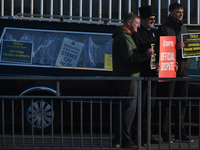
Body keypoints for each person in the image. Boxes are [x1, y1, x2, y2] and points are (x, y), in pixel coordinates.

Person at [112, 12, 154, 148]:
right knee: (128, 111)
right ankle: (124, 141)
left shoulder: (125, 36)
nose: (138, 26)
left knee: (125, 110)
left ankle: (119, 139)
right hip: (129, 77)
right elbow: (129, 58)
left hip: (128, 77)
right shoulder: (124, 38)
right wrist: (146, 55)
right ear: (129, 23)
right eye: (137, 23)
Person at [156, 2, 193, 143]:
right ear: (170, 12)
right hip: (169, 70)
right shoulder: (163, 28)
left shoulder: (184, 27)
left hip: (183, 70)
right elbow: (160, 48)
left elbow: (188, 47)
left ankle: (180, 133)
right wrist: (175, 48)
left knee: (182, 103)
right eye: (178, 12)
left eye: (182, 12)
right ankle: (165, 134)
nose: (181, 14)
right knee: (167, 103)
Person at [131, 5, 159, 145]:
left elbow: (157, 52)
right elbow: (136, 56)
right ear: (142, 19)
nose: (153, 21)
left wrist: (159, 64)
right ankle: (137, 136)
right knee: (140, 108)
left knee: (150, 107)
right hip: (142, 76)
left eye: (154, 19)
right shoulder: (136, 34)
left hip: (152, 76)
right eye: (150, 19)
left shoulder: (152, 33)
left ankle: (147, 135)